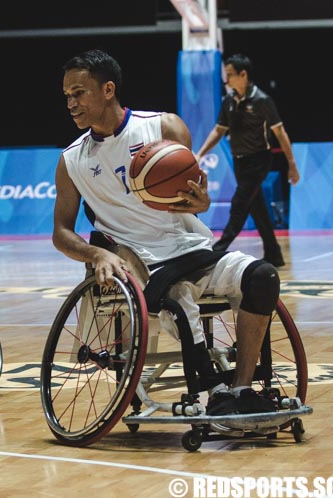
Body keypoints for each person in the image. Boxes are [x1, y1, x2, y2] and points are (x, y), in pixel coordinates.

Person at [53, 49, 281, 416]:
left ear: (108, 89)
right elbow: (61, 233)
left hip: (194, 251)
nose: (71, 103)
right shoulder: (71, 161)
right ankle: (213, 390)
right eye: (67, 96)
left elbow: (194, 198)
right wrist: (97, 253)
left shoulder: (165, 128)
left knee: (262, 277)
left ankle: (239, 390)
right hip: (141, 264)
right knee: (177, 301)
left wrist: (201, 203)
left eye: (79, 93)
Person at [195, 54, 300, 267]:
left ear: (243, 75)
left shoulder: (262, 100)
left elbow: (280, 133)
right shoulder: (228, 101)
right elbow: (218, 130)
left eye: (231, 75)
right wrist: (200, 154)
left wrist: (292, 164)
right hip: (239, 161)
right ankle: (274, 254)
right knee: (257, 207)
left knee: (239, 204)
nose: (227, 80)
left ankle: (216, 251)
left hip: (260, 159)